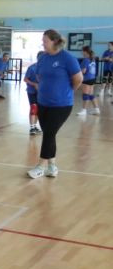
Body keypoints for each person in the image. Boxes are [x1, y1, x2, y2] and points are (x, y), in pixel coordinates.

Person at [27, 30, 82, 179]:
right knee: (49, 134)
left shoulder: (67, 58)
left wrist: (68, 91)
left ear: (55, 41)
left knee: (49, 133)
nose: (43, 43)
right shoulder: (43, 58)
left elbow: (78, 79)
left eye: (45, 41)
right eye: (42, 41)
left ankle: (41, 167)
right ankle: (52, 166)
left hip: (61, 105)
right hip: (43, 103)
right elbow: (39, 76)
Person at [24, 52, 43, 136]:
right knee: (34, 107)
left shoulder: (46, 68)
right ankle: (32, 128)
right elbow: (25, 79)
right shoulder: (32, 68)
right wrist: (34, 84)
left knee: (39, 109)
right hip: (32, 91)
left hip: (42, 93)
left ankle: (35, 126)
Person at [77, 46, 100, 116]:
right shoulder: (92, 59)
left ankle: (84, 110)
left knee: (85, 95)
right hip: (92, 78)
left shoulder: (86, 60)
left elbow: (83, 71)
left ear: (85, 52)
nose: (81, 52)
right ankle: (97, 110)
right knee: (90, 95)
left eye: (82, 51)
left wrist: (77, 74)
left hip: (87, 79)